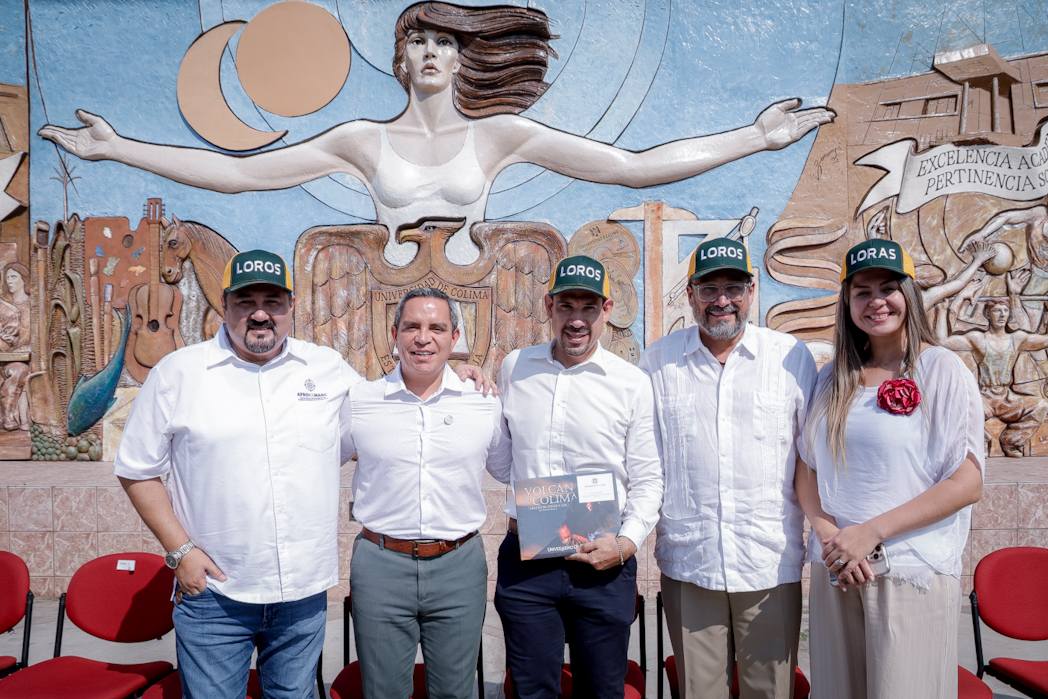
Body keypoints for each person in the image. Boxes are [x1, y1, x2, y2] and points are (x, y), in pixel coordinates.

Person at [39, 2, 833, 263]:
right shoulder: (360, 140)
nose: (429, 52)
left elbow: (629, 166)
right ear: (399, 59)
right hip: (381, 310)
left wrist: (753, 138)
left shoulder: (499, 136)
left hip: (475, 309)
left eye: (443, 42)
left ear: (461, 59)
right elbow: (243, 173)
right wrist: (117, 148)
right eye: (417, 40)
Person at [113, 249, 360, 698]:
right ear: (224, 305)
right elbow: (136, 470)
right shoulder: (179, 373)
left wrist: (460, 379)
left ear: (291, 306)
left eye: (273, 301)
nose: (260, 314)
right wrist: (181, 551)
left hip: (301, 594)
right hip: (214, 595)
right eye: (246, 302)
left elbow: (388, 415)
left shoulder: (327, 369)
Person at [794, 238, 983, 699]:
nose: (876, 301)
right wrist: (829, 534)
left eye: (887, 288)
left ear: (909, 295)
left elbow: (967, 481)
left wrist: (871, 533)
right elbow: (806, 466)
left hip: (910, 571)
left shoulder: (940, 370)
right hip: (838, 569)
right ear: (847, 303)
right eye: (862, 292)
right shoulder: (831, 377)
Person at [640, 237, 816, 698]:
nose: (722, 300)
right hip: (690, 561)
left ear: (751, 291)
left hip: (767, 562)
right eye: (709, 288)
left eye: (734, 288)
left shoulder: (789, 357)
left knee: (769, 691)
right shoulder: (659, 361)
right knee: (699, 691)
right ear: (690, 294)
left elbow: (811, 458)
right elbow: (642, 459)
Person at [491, 254, 663, 699]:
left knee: (603, 691)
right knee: (531, 691)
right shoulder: (515, 368)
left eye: (589, 307)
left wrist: (626, 545)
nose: (577, 320)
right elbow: (502, 462)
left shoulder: (631, 382)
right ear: (549, 306)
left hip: (602, 563)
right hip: (528, 564)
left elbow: (648, 479)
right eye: (566, 306)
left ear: (607, 310)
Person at [342, 287, 508, 699]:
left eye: (436, 328)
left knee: (455, 692)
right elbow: (314, 461)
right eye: (412, 326)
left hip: (459, 565)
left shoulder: (484, 402)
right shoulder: (360, 400)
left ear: (455, 338)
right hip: (381, 564)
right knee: (383, 692)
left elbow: (513, 470)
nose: (423, 338)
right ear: (394, 334)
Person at [935, 267, 1048, 457]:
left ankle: (1011, 441)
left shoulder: (1016, 339)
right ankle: (981, 439)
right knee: (957, 406)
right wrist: (941, 312)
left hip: (1007, 398)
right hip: (984, 398)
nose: (1002, 315)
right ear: (988, 315)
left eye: (1005, 311)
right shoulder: (978, 339)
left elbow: (1044, 340)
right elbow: (942, 342)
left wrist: (1015, 295)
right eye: (997, 311)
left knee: (1041, 405)